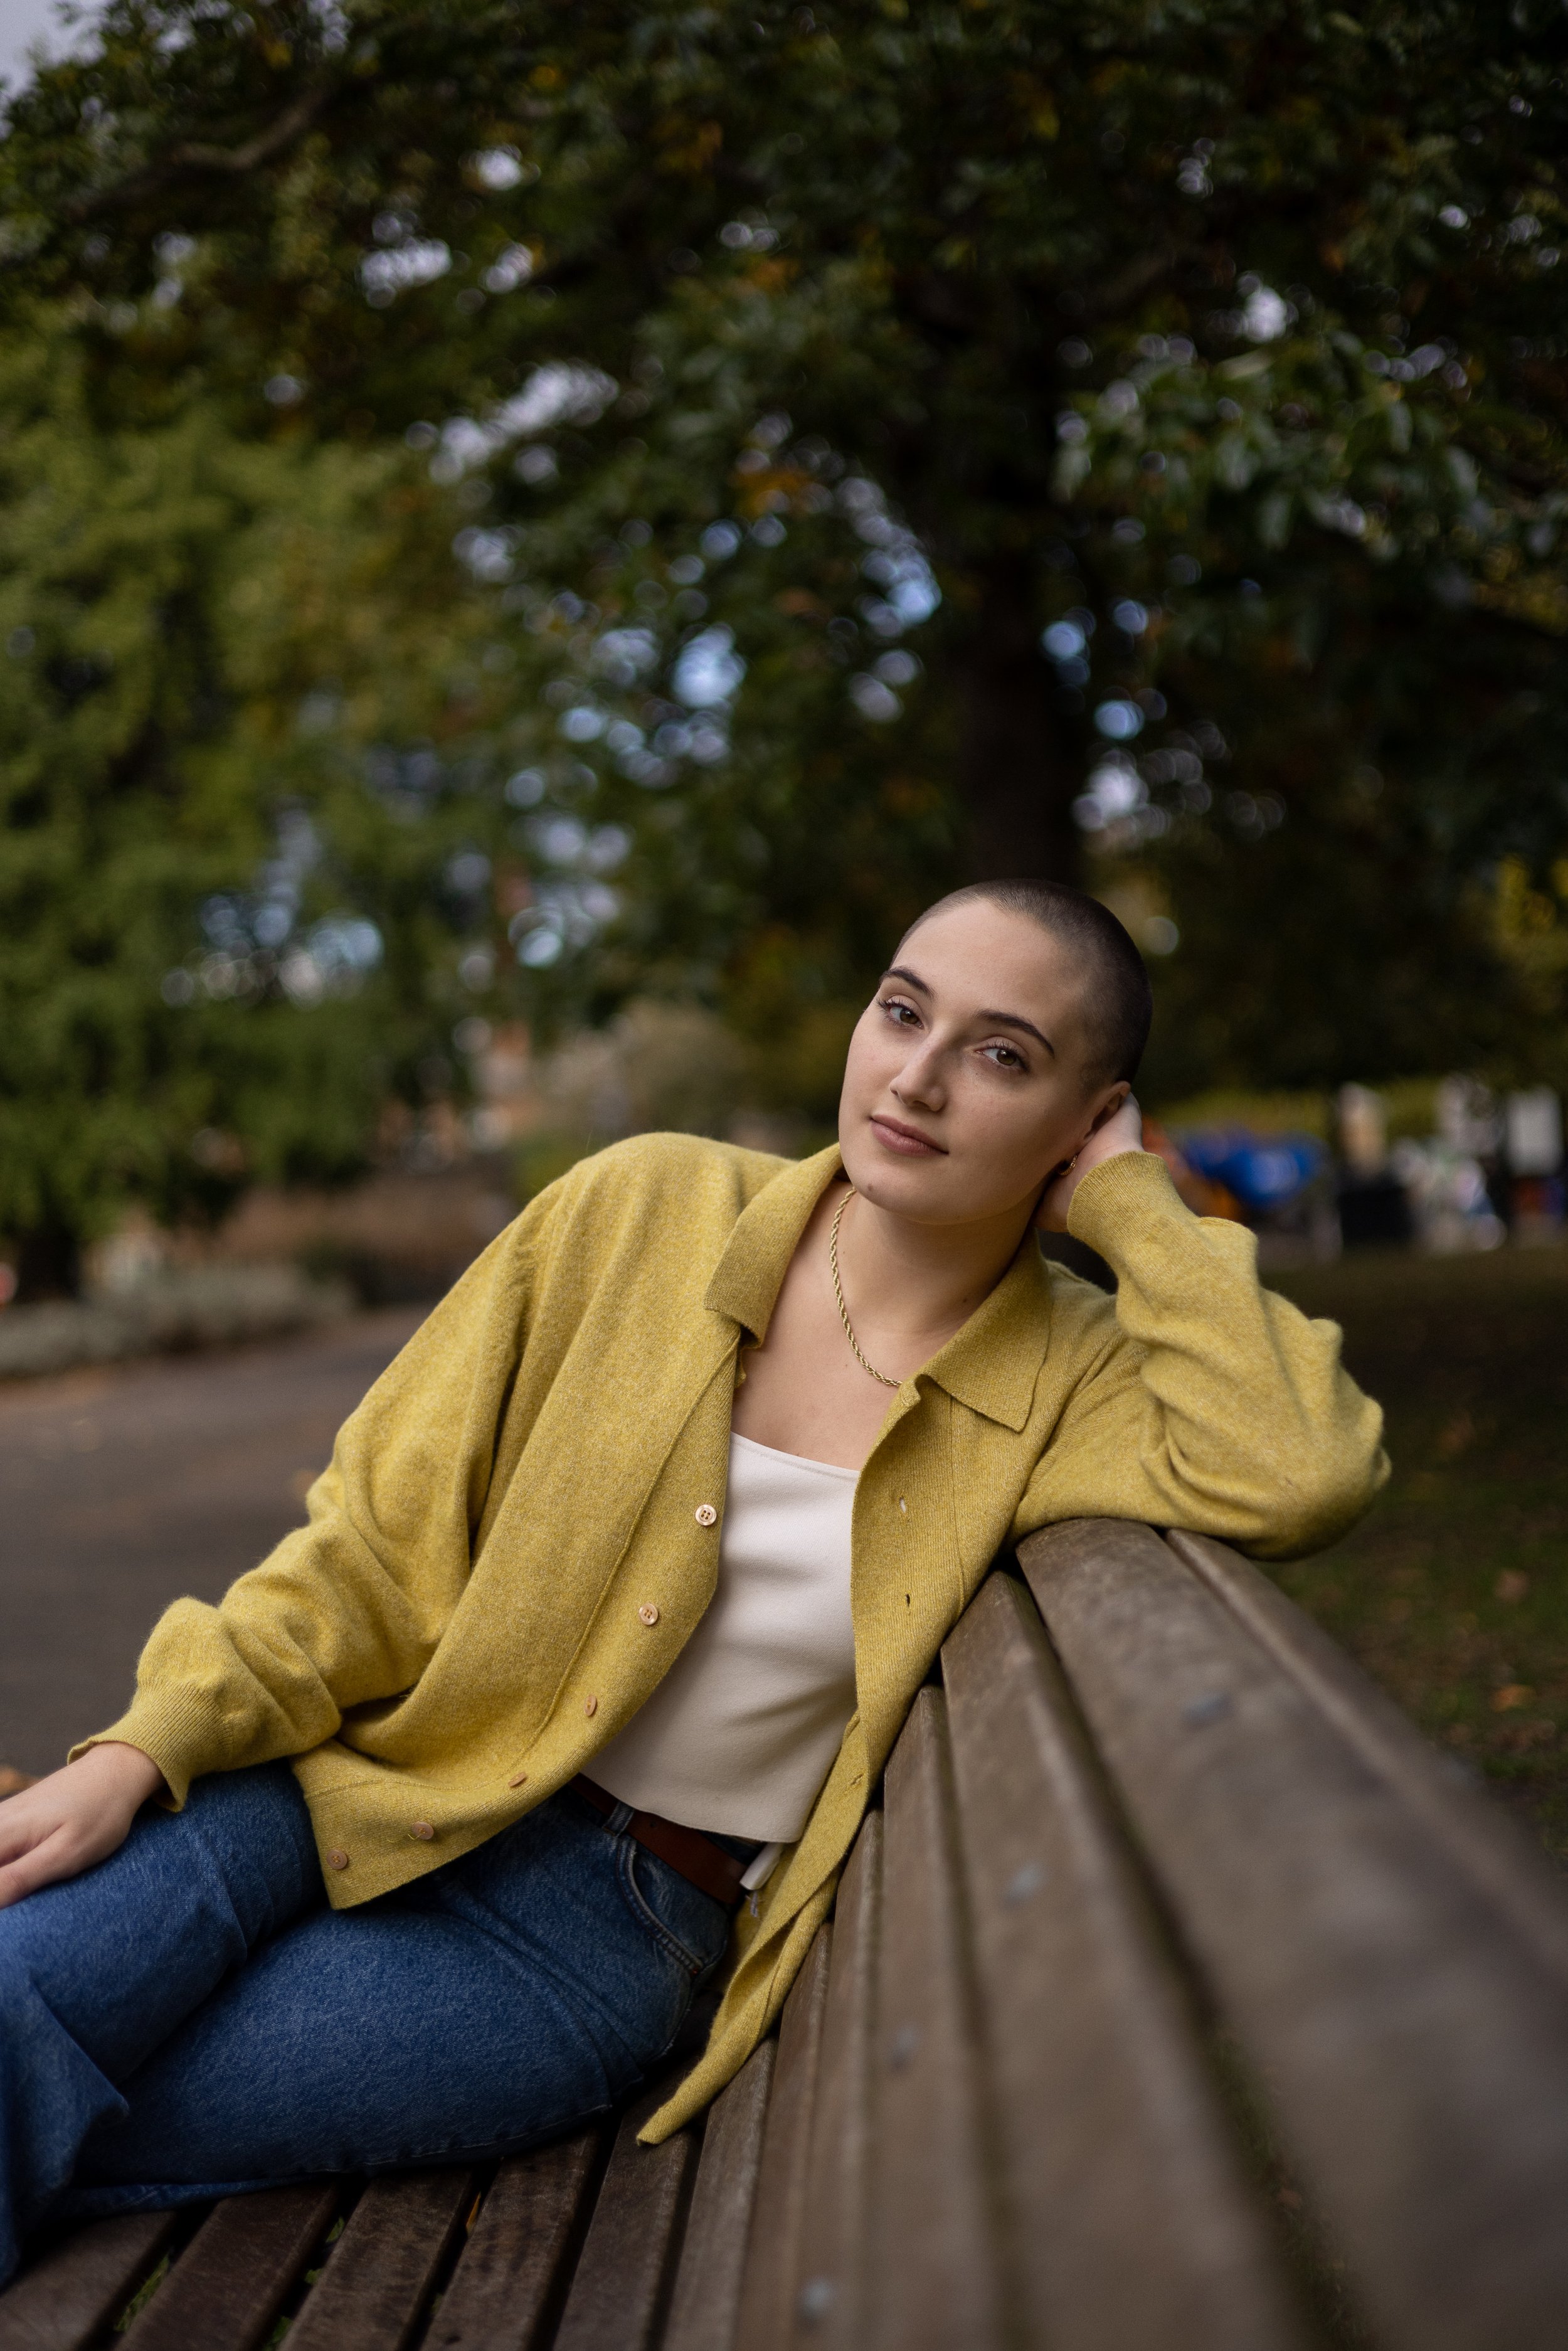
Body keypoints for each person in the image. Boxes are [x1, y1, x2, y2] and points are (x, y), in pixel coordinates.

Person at [0, 881, 1386, 2280]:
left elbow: (1300, 1467)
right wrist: (144, 1743)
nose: (915, 1074)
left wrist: (1131, 1203)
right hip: (344, 1780)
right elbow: (368, 1548)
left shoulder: (1069, 1376)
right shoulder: (639, 1208)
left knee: (92, 2102)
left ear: (1088, 1114)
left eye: (1000, 1052)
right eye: (901, 1010)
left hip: (585, 1935)